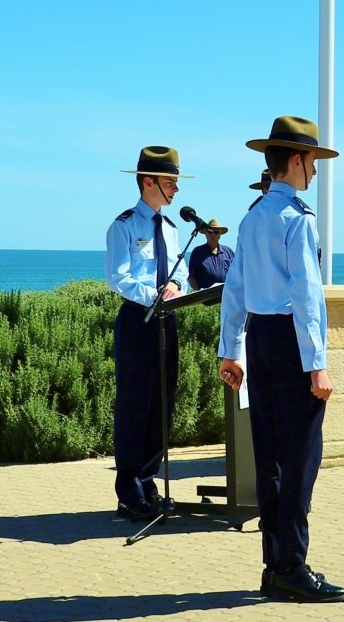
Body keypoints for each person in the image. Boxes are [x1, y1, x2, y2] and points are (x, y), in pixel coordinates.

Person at [218, 116, 344, 605]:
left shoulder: (251, 217)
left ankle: (274, 566)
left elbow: (236, 287)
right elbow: (307, 294)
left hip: (259, 337)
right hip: (290, 343)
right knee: (299, 458)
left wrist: (230, 348)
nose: (314, 171)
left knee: (270, 457)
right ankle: (292, 566)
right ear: (295, 160)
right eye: (312, 160)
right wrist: (317, 362)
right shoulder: (297, 218)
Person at [104, 145, 189, 519]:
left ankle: (149, 482)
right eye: (171, 181)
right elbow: (118, 278)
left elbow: (181, 273)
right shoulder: (123, 226)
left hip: (166, 322)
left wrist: (176, 288)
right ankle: (129, 493)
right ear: (149, 182)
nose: (176, 189)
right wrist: (152, 295)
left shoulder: (171, 229)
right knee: (135, 407)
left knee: (161, 406)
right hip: (138, 322)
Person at [188, 219, 233, 289]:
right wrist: (199, 293)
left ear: (220, 235)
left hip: (227, 294)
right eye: (210, 231)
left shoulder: (228, 252)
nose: (213, 234)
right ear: (206, 234)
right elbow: (191, 277)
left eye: (216, 232)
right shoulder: (197, 252)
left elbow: (236, 274)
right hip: (206, 296)